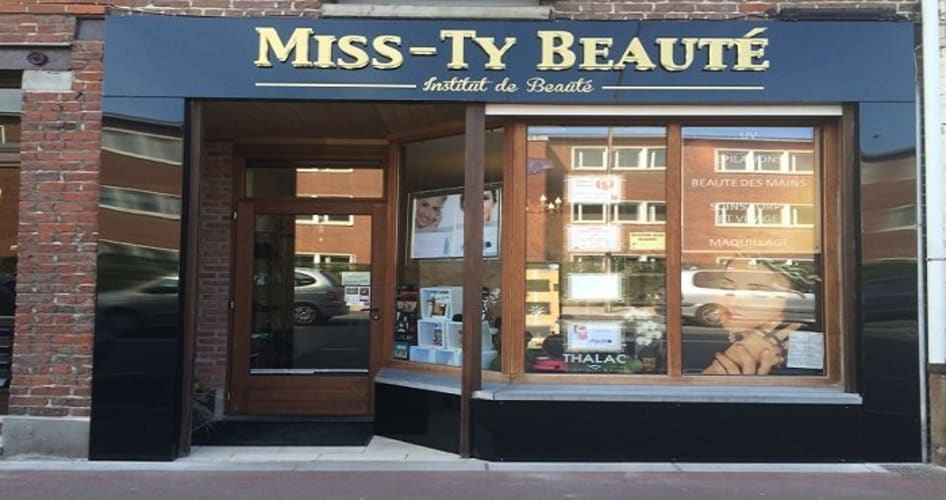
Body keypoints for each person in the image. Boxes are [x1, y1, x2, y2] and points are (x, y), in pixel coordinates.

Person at [702, 262, 807, 375]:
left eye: (757, 291)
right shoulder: (699, 339)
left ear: (790, 300)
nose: (734, 302)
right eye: (726, 287)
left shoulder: (804, 349)